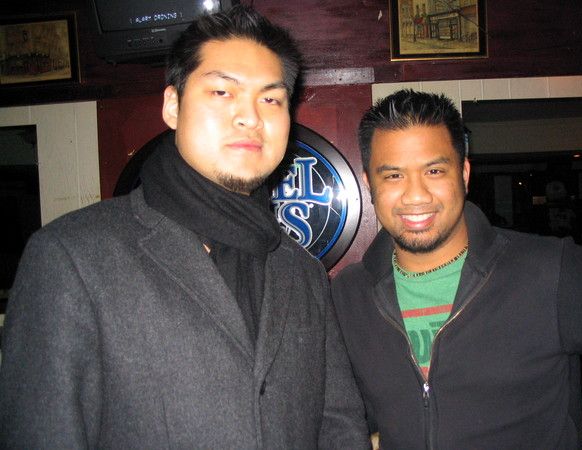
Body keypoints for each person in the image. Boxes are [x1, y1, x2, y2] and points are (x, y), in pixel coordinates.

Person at [0, 6, 369, 448]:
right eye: (222, 92)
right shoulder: (72, 258)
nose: (250, 117)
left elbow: (339, 427)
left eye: (270, 99)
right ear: (172, 106)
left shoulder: (301, 272)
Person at [331, 89, 582, 449]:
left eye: (434, 171)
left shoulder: (553, 271)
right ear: (369, 185)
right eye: (393, 176)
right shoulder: (348, 294)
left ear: (464, 173)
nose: (416, 195)